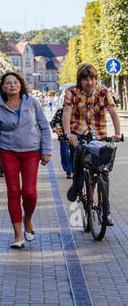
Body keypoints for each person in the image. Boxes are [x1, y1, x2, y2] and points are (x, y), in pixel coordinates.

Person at [0, 71, 52, 249]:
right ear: (3, 87)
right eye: (8, 83)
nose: (12, 85)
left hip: (31, 152)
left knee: (30, 192)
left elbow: (44, 127)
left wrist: (47, 151)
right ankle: (18, 235)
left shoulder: (32, 102)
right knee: (13, 192)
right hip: (8, 152)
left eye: (15, 82)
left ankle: (27, 219)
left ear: (21, 85)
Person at [63, 64, 123, 220]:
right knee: (78, 152)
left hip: (99, 134)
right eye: (85, 79)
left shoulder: (103, 92)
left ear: (96, 79)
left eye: (92, 78)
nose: (89, 82)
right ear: (80, 80)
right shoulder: (71, 92)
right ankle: (77, 185)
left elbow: (113, 113)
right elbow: (67, 112)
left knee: (104, 172)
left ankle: (106, 210)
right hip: (79, 132)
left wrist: (117, 133)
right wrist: (68, 134)